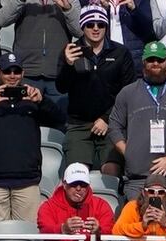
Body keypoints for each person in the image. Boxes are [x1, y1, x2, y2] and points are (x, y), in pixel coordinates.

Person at [0, 52, 66, 223]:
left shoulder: (33, 98)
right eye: (7, 71)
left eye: (16, 71)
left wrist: (42, 101)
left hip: (27, 180)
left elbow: (59, 119)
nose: (12, 76)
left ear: (23, 73)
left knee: (27, 234)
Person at [109, 40, 166, 201]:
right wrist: (128, 152)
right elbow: (114, 126)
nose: (155, 63)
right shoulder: (127, 92)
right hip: (137, 177)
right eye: (151, 59)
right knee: (136, 216)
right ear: (143, 62)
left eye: (160, 59)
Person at [57, 3, 137, 170]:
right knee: (77, 173)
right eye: (90, 24)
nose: (95, 28)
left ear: (106, 26)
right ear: (82, 26)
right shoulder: (70, 51)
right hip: (79, 124)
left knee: (111, 171)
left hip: (112, 123)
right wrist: (68, 65)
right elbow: (61, 87)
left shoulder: (121, 53)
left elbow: (128, 93)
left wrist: (107, 119)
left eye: (100, 24)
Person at [0, 0, 82, 113]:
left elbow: (80, 31)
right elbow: (1, 20)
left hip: (58, 76)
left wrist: (67, 9)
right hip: (26, 74)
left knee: (57, 120)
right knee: (25, 119)